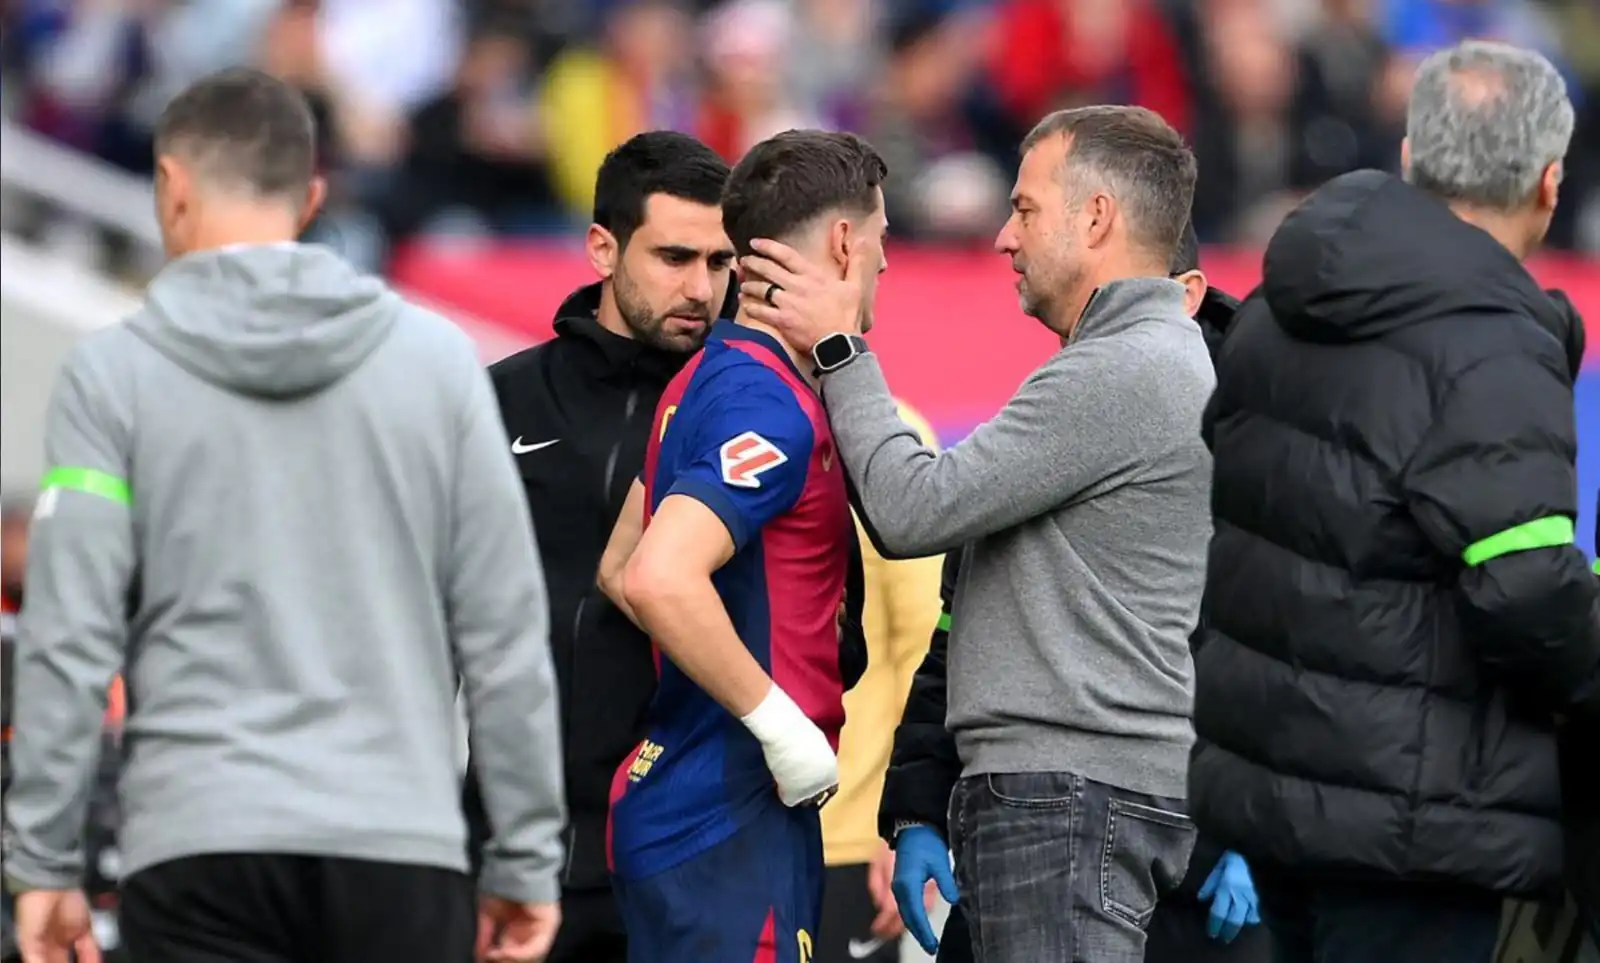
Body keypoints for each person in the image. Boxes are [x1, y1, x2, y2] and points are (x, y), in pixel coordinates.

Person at [1, 68, 566, 963]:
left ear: (171, 187)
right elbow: (505, 633)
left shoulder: (112, 375)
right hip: (399, 847)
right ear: (311, 197)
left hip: (196, 840)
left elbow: (68, 635)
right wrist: (525, 857)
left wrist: (42, 861)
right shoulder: (438, 365)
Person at [741, 105, 1215, 963]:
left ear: (1096, 218)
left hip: (1069, 801)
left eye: (1025, 208)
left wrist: (839, 347)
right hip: (1064, 796)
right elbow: (967, 602)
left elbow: (913, 509)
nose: (1004, 236)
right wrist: (923, 800)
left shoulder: (1123, 370)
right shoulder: (1128, 362)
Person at [1187, 39, 1600, 963]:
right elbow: (1527, 589)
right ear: (1550, 182)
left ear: (1411, 156)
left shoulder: (1278, 302)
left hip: (1273, 792)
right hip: (1414, 821)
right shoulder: (1492, 341)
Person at [874, 224, 1268, 963]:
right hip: (1044, 832)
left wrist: (1262, 829)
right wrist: (918, 808)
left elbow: (1291, 656)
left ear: (1186, 295)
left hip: (1198, 862)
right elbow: (961, 633)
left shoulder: (1256, 454)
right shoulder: (1048, 427)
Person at [595, 129, 890, 963]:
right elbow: (655, 576)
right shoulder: (766, 406)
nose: (886, 263)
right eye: (882, 239)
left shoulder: (710, 377)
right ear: (844, 244)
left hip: (706, 798)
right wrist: (778, 725)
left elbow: (620, 563)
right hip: (725, 812)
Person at [468, 129, 734, 963]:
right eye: (675, 257)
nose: (700, 288)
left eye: (720, 262)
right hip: (507, 853)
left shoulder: (752, 417)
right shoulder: (497, 401)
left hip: (688, 856)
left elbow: (832, 639)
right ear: (602, 248)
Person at [816, 404, 944, 963]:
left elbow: (923, 648)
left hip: (849, 835)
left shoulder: (889, 434)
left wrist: (904, 819)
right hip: (724, 831)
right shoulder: (713, 411)